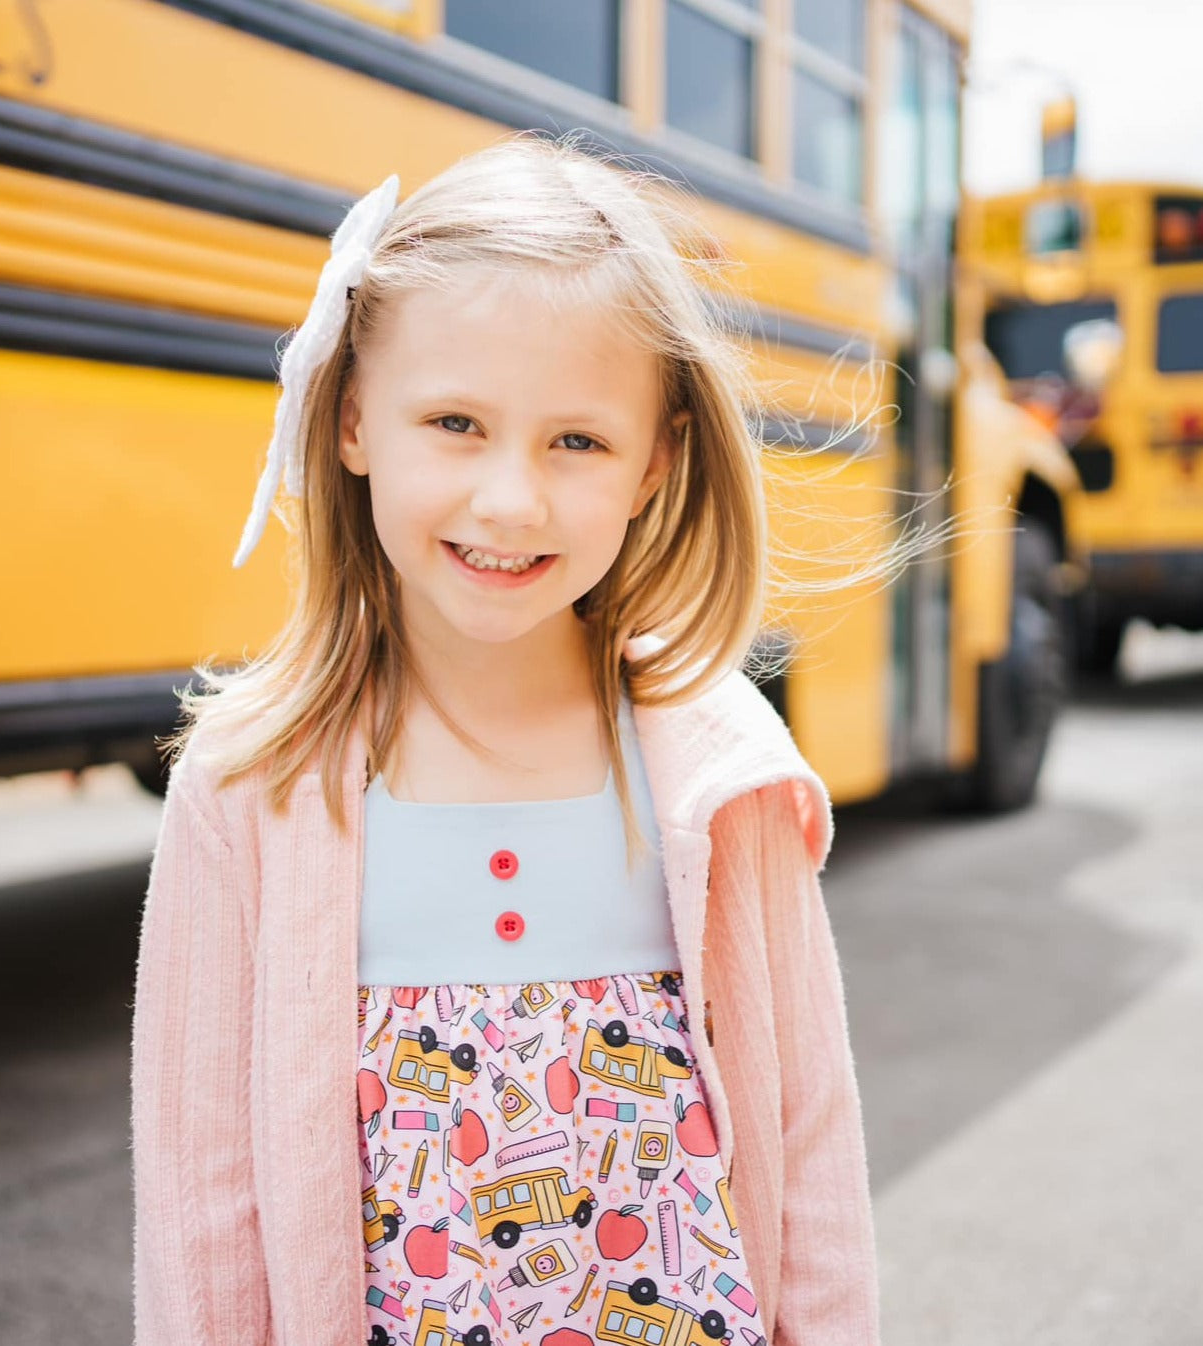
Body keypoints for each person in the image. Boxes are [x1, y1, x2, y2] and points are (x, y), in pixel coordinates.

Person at [131, 135, 880, 1346]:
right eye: (456, 422)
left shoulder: (715, 765)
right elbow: (199, 1205)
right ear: (352, 419)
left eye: (575, 441)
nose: (510, 500)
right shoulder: (246, 781)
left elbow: (810, 1149)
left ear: (655, 464)